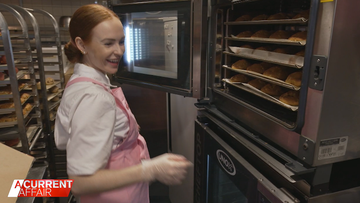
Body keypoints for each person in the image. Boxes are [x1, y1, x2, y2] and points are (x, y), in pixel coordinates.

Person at [54, 4, 192, 203]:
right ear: (82, 45)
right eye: (108, 43)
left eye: (121, 41)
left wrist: (122, 130)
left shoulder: (79, 81)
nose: (118, 51)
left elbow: (63, 138)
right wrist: (152, 169)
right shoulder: (94, 98)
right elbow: (79, 183)